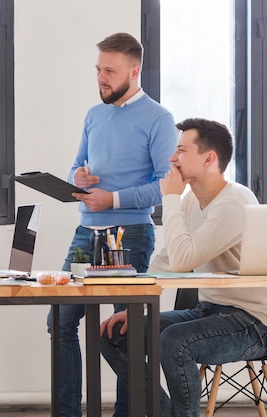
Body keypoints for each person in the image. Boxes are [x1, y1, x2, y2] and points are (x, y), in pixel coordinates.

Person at [100, 118, 265, 417]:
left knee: (175, 342)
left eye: (181, 150)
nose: (172, 159)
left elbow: (183, 260)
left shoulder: (234, 203)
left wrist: (171, 197)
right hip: (210, 311)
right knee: (116, 334)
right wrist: (139, 308)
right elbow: (166, 260)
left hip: (252, 322)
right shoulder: (191, 200)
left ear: (208, 159)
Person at [53, 32, 177, 417]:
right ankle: (69, 413)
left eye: (110, 70)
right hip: (85, 233)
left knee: (125, 331)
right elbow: (75, 165)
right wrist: (80, 177)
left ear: (134, 71)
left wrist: (113, 199)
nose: (101, 78)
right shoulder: (95, 115)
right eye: (98, 70)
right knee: (59, 320)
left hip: (130, 234)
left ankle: (129, 412)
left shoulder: (159, 118)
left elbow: (165, 184)